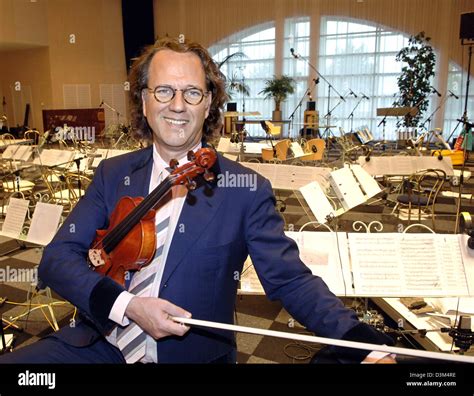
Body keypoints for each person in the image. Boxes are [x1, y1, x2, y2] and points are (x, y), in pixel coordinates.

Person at [0, 37, 394, 364]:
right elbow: (57, 259)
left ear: (208, 104)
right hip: (101, 344)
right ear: (144, 100)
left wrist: (359, 339)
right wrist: (127, 305)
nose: (177, 105)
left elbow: (290, 279)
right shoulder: (112, 173)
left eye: (192, 92)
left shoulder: (247, 189)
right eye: (164, 91)